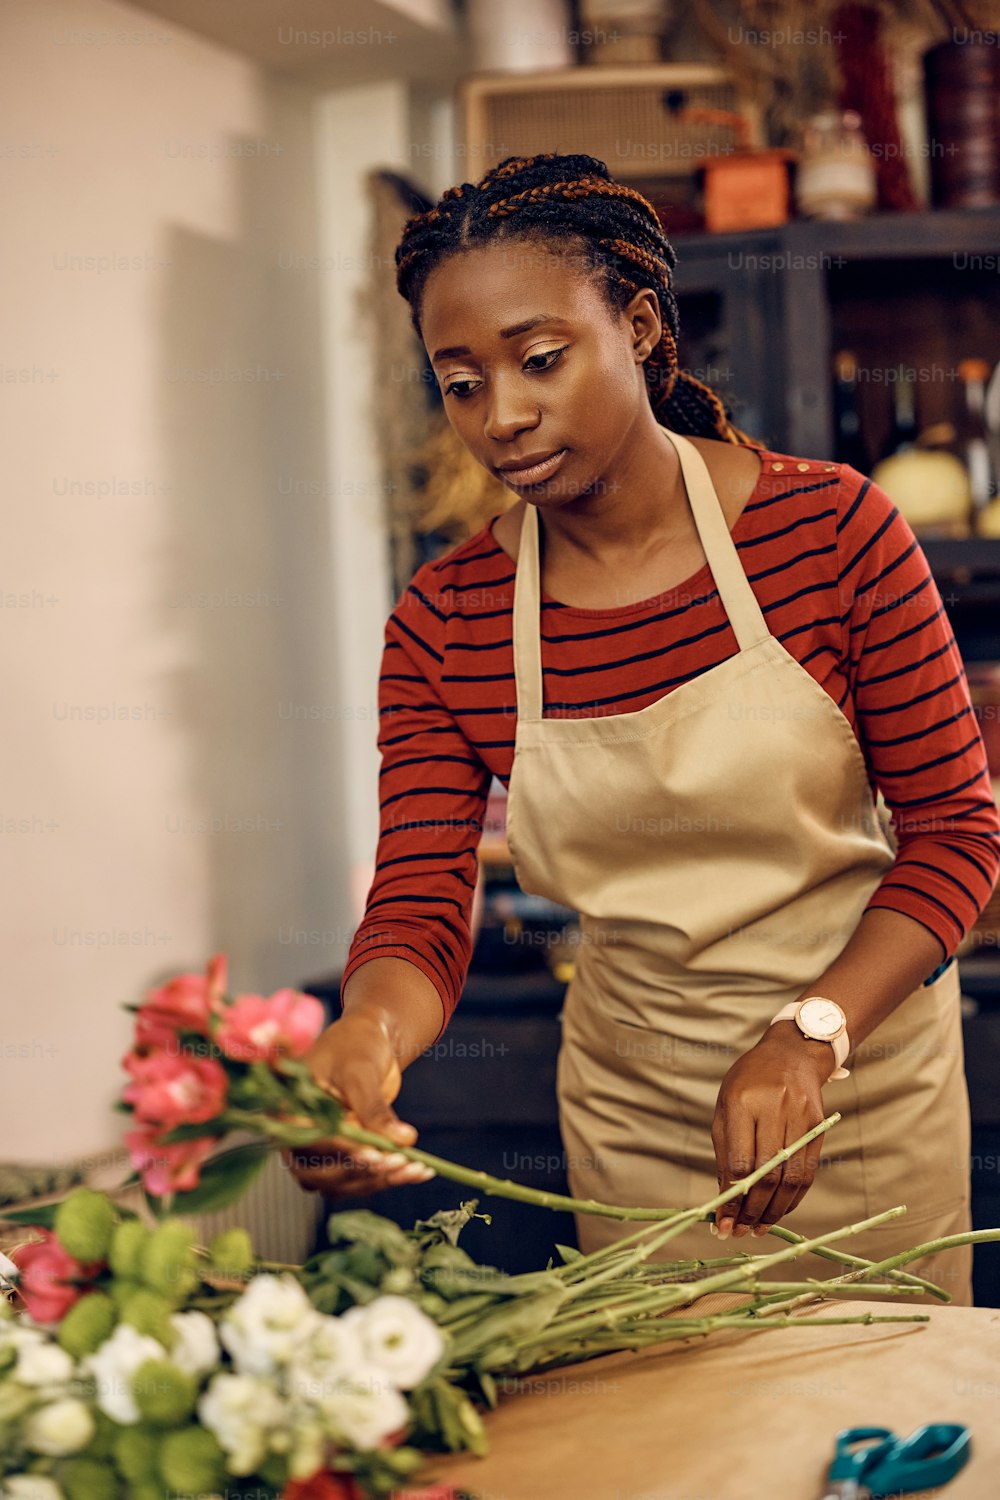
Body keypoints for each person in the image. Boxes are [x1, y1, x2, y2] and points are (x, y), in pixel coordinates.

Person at [287, 152, 1000, 1303]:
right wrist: (365, 1041)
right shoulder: (446, 622)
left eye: (540, 360)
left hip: (850, 1087)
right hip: (636, 1120)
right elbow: (421, 904)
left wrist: (811, 1032)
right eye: (460, 381)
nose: (502, 415)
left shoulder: (830, 534)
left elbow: (958, 835)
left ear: (638, 326)